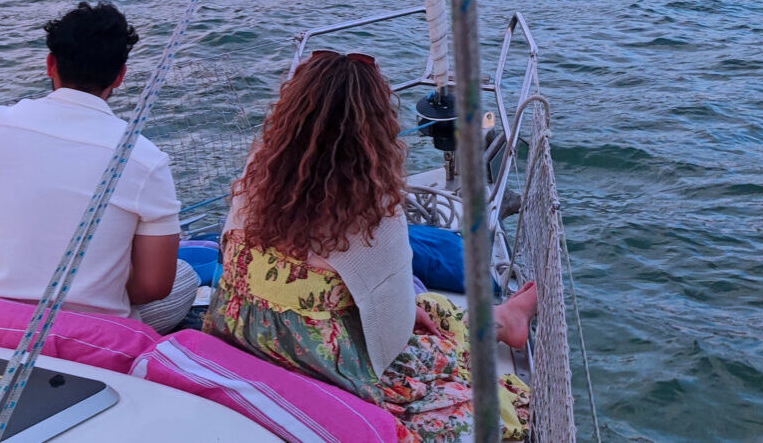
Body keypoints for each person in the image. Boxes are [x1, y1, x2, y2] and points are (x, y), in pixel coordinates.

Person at [206, 51, 536, 441]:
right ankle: (501, 320)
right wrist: (405, 315)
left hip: (239, 331)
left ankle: (502, 320)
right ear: (375, 126)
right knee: (434, 332)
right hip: (318, 361)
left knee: (424, 311)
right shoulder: (372, 206)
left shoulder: (257, 175)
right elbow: (393, 322)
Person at [0, 2, 197, 332]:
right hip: (88, 334)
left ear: (50, 64)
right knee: (186, 276)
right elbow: (153, 288)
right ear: (120, 76)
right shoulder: (145, 159)